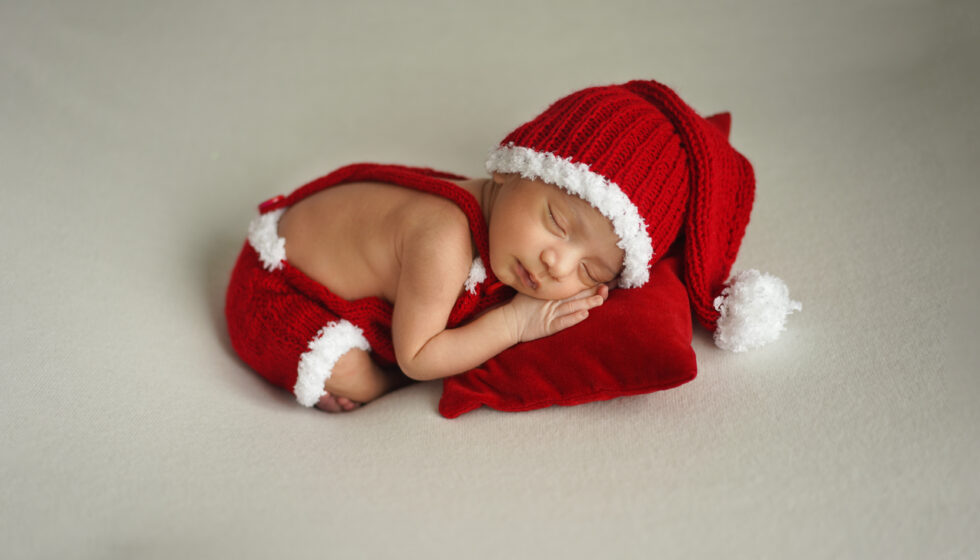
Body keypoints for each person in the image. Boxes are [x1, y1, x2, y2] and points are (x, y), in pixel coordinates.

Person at [226, 80, 797, 412]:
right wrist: (513, 327)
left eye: (591, 268)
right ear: (506, 172)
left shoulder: (507, 221)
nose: (556, 263)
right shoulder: (443, 239)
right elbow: (419, 357)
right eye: (556, 221)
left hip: (332, 252)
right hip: (278, 282)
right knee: (352, 372)